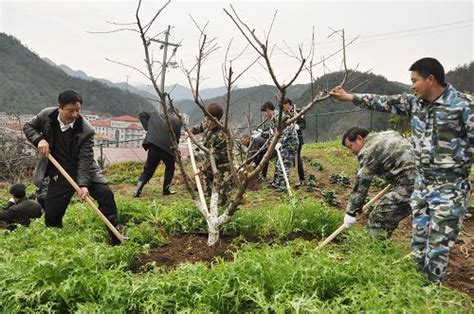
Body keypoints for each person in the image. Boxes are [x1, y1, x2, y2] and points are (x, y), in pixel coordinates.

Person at [330, 57, 473, 283]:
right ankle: (416, 292)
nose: (411, 85)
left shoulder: (464, 106)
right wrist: (350, 97)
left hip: (449, 189)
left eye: (415, 80)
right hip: (422, 187)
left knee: (436, 249)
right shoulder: (414, 104)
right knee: (418, 245)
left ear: (431, 79)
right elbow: (383, 101)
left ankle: (429, 296)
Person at [23, 89, 122, 245]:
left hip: (85, 169)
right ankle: (56, 246)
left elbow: (85, 159)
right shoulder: (46, 116)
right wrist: (39, 140)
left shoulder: (86, 130)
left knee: (105, 194)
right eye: (71, 111)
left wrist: (83, 184)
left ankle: (116, 237)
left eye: (78, 110)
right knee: (52, 213)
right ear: (60, 108)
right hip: (60, 171)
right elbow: (28, 127)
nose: (75, 114)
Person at [341, 127, 416, 238]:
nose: (351, 152)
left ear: (359, 139)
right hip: (427, 176)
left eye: (350, 146)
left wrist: (351, 212)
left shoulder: (368, 151)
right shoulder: (389, 133)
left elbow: (362, 182)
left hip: (410, 184)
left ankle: (376, 250)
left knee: (378, 219)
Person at [133, 108, 182, 197]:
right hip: (167, 148)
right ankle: (166, 190)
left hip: (153, 145)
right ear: (175, 114)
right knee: (170, 168)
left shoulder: (155, 114)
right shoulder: (178, 121)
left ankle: (137, 190)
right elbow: (176, 138)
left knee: (148, 169)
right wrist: (176, 150)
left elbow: (141, 113)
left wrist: (149, 128)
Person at [190, 102, 231, 205]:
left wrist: (201, 168)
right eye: (206, 118)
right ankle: (207, 199)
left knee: (221, 193)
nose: (207, 122)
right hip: (209, 163)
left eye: (210, 120)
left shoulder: (222, 135)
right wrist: (190, 132)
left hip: (222, 166)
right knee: (207, 184)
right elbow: (200, 126)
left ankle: (222, 208)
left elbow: (216, 156)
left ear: (217, 120)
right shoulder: (207, 122)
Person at [269, 99, 299, 192]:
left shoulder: (278, 116)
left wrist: (280, 141)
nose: (264, 115)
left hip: (290, 143)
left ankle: (282, 185)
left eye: (264, 113)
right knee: (279, 163)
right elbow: (275, 130)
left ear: (268, 110)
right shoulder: (274, 117)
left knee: (285, 164)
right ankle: (276, 182)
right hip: (284, 143)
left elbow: (287, 129)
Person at [289, 99, 307, 187]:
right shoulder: (283, 115)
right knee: (291, 159)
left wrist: (298, 127)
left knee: (297, 159)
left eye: (286, 105)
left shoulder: (297, 113)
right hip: (287, 140)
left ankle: (301, 178)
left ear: (290, 105)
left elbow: (304, 124)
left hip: (297, 139)